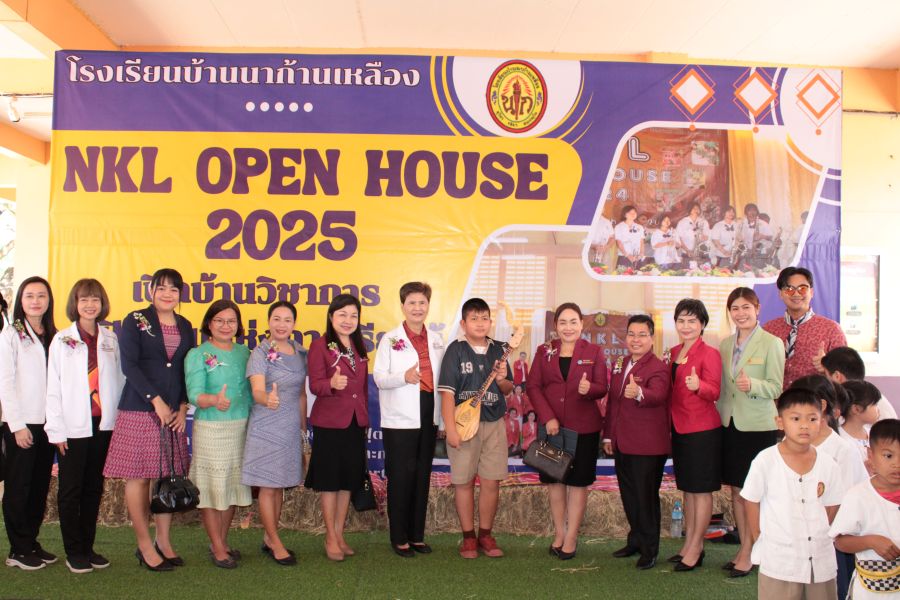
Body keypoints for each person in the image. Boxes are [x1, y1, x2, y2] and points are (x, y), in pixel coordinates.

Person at [103, 268, 194, 572]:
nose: (168, 294)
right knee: (139, 478)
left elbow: (186, 369)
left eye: (174, 289)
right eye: (162, 288)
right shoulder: (136, 319)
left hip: (173, 414)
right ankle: (144, 545)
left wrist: (182, 406)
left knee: (167, 476)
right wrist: (155, 401)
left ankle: (163, 542)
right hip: (140, 408)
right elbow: (129, 365)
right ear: (151, 291)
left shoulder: (185, 325)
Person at [45, 279, 124, 573]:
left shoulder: (111, 339)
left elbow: (119, 381)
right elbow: (53, 387)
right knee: (70, 490)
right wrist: (56, 430)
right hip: (72, 427)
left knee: (93, 488)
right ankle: (73, 551)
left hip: (102, 426)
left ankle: (88, 548)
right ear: (75, 304)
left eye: (95, 299)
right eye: (84, 300)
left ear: (102, 304)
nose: (90, 305)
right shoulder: (61, 340)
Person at [742, 388, 843, 600]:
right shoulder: (765, 460)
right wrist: (759, 536)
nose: (804, 425)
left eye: (812, 419)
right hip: (780, 560)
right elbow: (751, 500)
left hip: (819, 559)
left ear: (821, 421)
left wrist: (817, 532)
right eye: (796, 419)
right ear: (780, 422)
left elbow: (832, 505)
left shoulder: (828, 464)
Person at [528, 303, 609, 560]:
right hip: (553, 429)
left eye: (573, 322)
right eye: (563, 322)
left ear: (582, 324)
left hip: (584, 429)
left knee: (578, 484)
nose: (568, 327)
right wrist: (548, 417)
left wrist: (589, 389)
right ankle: (559, 533)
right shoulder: (544, 351)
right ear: (555, 326)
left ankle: (571, 537)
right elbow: (533, 386)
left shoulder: (594, 351)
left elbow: (602, 387)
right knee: (555, 482)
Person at [716, 287, 785, 578]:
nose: (740, 313)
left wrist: (753, 386)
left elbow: (776, 386)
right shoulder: (724, 345)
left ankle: (752, 551)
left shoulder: (772, 343)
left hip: (757, 426)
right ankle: (746, 546)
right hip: (730, 424)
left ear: (757, 309)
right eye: (735, 308)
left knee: (754, 492)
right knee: (736, 490)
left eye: (746, 307)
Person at [373, 281, 444, 558]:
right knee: (401, 477)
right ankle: (399, 537)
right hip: (400, 419)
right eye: (412, 303)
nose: (417, 308)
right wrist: (404, 377)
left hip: (428, 412)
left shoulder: (437, 339)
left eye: (422, 302)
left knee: (421, 476)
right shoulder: (390, 339)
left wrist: (442, 419)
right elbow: (379, 378)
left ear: (428, 305)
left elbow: (442, 382)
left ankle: (416, 536)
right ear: (402, 306)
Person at [439, 298, 512, 559]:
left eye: (484, 318)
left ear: (490, 322)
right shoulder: (455, 350)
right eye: (474, 318)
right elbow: (447, 394)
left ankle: (486, 535)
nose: (480, 323)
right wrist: (451, 429)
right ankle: (468, 537)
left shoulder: (500, 349)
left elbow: (508, 389)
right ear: (463, 323)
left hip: (494, 423)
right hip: (464, 425)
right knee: (464, 482)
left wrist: (502, 378)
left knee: (491, 481)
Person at [185, 300, 253, 569]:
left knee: (231, 488)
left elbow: (252, 391)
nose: (226, 326)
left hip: (241, 428)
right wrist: (214, 400)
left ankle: (220, 543)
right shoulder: (198, 354)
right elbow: (194, 394)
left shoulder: (245, 353)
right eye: (219, 320)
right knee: (212, 490)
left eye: (231, 321)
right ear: (209, 324)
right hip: (212, 429)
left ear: (238, 325)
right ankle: (217, 545)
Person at [602, 314, 671, 570]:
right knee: (630, 495)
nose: (636, 339)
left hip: (647, 446)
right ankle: (635, 541)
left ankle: (650, 549)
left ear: (652, 338)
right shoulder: (620, 362)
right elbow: (613, 402)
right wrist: (609, 435)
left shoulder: (659, 366)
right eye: (631, 334)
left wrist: (640, 392)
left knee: (645, 498)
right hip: (622, 442)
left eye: (642, 335)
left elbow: (659, 394)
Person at [0, 276, 58, 570]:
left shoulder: (55, 335)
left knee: (38, 486)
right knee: (18, 486)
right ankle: (18, 549)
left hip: (48, 423)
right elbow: (5, 382)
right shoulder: (11, 334)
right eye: (30, 296)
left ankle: (31, 541)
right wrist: (17, 425)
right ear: (20, 301)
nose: (36, 301)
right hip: (22, 424)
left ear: (49, 301)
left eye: (41, 296)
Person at [242, 301, 306, 566]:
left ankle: (270, 537)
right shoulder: (260, 352)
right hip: (266, 426)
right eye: (277, 319)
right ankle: (276, 542)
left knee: (279, 486)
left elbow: (302, 394)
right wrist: (267, 398)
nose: (282, 325)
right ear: (269, 321)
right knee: (268, 487)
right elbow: (257, 390)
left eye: (287, 320)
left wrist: (303, 428)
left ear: (294, 324)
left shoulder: (300, 352)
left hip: (290, 426)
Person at [793, 374, 868, 600]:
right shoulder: (793, 445)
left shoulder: (842, 450)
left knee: (832, 592)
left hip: (832, 542)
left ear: (822, 406)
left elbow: (845, 503)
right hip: (797, 538)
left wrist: (816, 531)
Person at [306, 294, 369, 562]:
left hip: (355, 422)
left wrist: (364, 419)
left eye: (353, 315)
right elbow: (314, 385)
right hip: (330, 424)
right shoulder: (320, 345)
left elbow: (362, 389)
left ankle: (340, 534)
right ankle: (330, 536)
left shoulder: (359, 346)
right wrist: (331, 384)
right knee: (330, 482)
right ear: (332, 317)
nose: (348, 320)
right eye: (342, 314)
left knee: (348, 482)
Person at [667, 298, 722, 572]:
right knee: (687, 490)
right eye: (681, 320)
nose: (686, 326)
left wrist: (699, 385)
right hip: (679, 428)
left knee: (700, 491)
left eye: (692, 321)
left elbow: (715, 391)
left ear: (702, 324)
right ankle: (688, 543)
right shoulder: (673, 351)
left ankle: (697, 547)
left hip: (702, 430)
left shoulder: (709, 353)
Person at [831, 419, 900, 599]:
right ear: (870, 454)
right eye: (888, 456)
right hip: (872, 591)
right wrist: (871, 541)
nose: (897, 464)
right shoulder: (858, 496)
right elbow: (841, 542)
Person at [763, 267, 847, 389]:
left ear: (811, 292)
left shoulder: (831, 329)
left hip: (815, 400)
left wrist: (827, 369)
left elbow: (845, 377)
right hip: (776, 399)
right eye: (789, 289)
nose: (796, 294)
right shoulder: (769, 329)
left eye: (802, 289)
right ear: (781, 294)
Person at [822, 346, 897, 421]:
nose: (825, 380)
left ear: (837, 376)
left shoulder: (859, 402)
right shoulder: (866, 395)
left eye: (825, 374)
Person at [839, 380, 882, 466]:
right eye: (874, 404)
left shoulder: (875, 434)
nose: (878, 409)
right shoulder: (839, 439)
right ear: (856, 409)